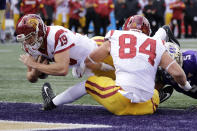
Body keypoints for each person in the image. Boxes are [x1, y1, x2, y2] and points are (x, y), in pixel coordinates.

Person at [42, 15, 193, 115]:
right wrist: (186, 86)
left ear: (125, 28)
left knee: (89, 84)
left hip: (120, 101)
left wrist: (82, 66)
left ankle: (52, 102)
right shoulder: (157, 43)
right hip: (148, 106)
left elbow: (92, 59)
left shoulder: (115, 36)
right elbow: (178, 74)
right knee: (151, 79)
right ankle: (157, 96)